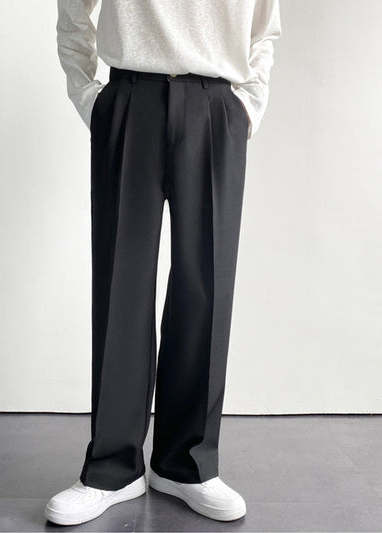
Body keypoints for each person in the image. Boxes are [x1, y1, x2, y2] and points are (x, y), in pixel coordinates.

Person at [46, 0, 282, 526]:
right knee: (121, 287)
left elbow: (264, 29)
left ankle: (187, 464)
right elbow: (73, 12)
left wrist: (248, 104)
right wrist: (90, 98)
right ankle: (112, 469)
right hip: (131, 98)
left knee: (206, 287)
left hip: (217, 102)